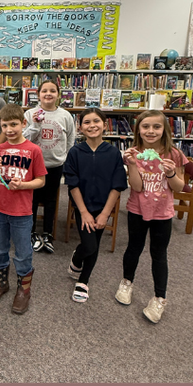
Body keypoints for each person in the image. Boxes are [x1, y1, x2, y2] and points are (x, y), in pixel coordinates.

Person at [119, 109, 187, 322]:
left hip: (162, 213)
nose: (150, 131)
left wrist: (170, 173)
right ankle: (126, 282)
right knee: (134, 248)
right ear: (138, 130)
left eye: (156, 127)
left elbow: (180, 186)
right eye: (145, 126)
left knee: (159, 254)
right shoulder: (134, 154)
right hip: (138, 209)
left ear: (164, 129)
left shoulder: (174, 154)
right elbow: (137, 187)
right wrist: (131, 165)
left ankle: (159, 297)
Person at [0, 103, 46, 314]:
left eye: (13, 124)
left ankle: (24, 290)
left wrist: (24, 185)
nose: (9, 129)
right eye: (4, 126)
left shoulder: (33, 150)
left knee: (23, 252)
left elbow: (41, 181)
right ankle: (2, 283)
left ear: (23, 123)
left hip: (21, 211)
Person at [63, 108, 127, 303]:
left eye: (96, 121)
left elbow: (117, 186)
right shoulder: (75, 152)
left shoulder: (113, 152)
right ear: (81, 128)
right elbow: (72, 184)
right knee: (89, 245)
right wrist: (83, 212)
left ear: (104, 125)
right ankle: (76, 258)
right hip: (82, 207)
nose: (92, 126)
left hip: (103, 207)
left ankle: (83, 280)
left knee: (95, 244)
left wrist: (105, 214)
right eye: (87, 122)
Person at [23, 78, 77, 253]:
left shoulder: (65, 115)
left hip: (55, 164)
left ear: (58, 95)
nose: (48, 94)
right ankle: (31, 232)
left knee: (51, 200)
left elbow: (70, 139)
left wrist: (64, 156)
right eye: (44, 90)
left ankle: (47, 233)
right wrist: (36, 125)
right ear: (38, 94)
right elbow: (24, 138)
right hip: (32, 165)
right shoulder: (29, 114)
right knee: (32, 199)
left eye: (52, 91)